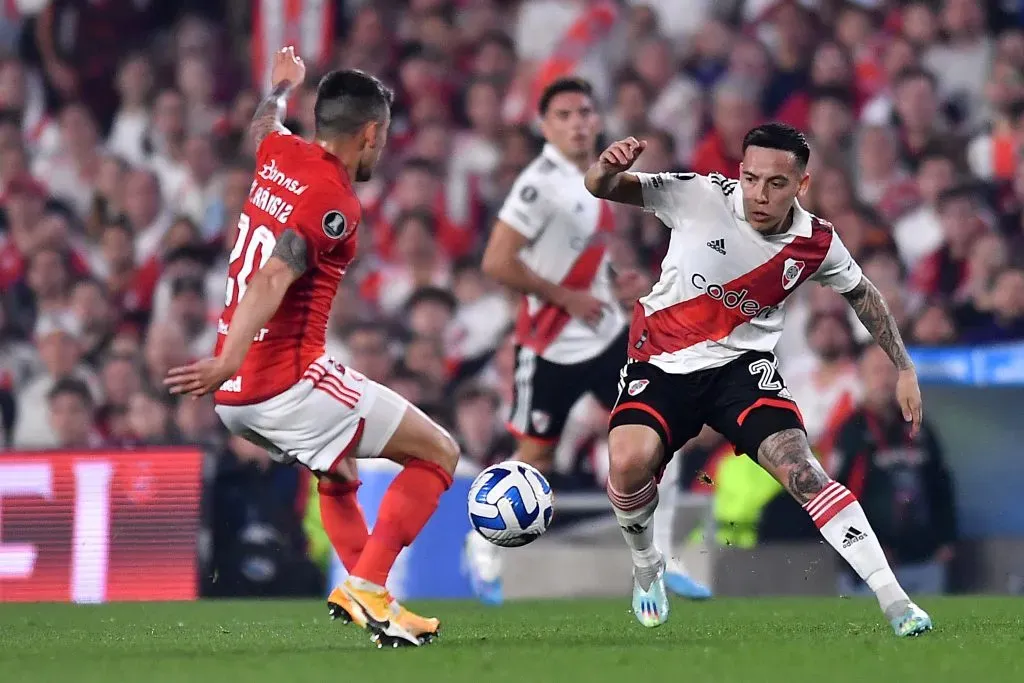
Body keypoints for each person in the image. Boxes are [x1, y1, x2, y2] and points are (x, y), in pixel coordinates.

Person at [584, 123, 933, 637]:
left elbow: (864, 294)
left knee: (804, 474)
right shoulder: (697, 194)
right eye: (750, 179)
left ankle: (895, 600)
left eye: (775, 183)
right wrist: (605, 167)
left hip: (741, 372)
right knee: (628, 462)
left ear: (801, 186)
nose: (759, 194)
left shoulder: (816, 241)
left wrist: (903, 365)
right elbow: (604, 187)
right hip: (662, 362)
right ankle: (646, 565)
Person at [164, 47, 459, 648]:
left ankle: (375, 604)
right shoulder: (334, 199)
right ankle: (369, 587)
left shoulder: (280, 152)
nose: (382, 149)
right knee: (438, 454)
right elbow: (275, 275)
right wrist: (226, 358)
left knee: (338, 472)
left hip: (237, 396)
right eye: (383, 137)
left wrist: (278, 87)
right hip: (282, 380)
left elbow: (260, 126)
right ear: (370, 134)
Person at [466, 77, 709, 604]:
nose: (578, 122)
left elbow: (587, 251)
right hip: (550, 345)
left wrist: (616, 286)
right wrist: (567, 297)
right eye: (565, 115)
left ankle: (660, 558)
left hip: (606, 337)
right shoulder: (537, 185)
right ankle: (481, 549)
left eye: (584, 112)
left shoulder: (597, 177)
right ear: (545, 126)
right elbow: (496, 261)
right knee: (535, 461)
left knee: (661, 435)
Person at [832, 345, 957, 596]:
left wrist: (947, 538)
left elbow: (941, 484)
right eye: (876, 371)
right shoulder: (850, 431)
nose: (884, 380)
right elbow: (835, 499)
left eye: (891, 371)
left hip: (925, 559)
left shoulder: (920, 427)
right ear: (861, 376)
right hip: (871, 566)